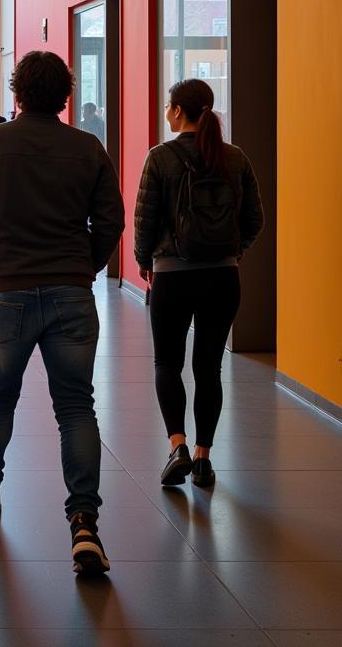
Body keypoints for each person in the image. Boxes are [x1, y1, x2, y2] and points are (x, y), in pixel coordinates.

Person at [0, 51, 124, 577]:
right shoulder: (87, 147)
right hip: (72, 291)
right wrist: (85, 265)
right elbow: (110, 220)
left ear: (17, 94)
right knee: (76, 407)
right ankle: (84, 524)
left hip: (10, 291)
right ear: (65, 95)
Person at [134, 79, 264, 489]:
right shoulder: (235, 157)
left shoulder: (160, 157)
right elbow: (255, 219)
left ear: (176, 111)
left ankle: (179, 447)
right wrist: (234, 252)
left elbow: (144, 221)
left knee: (166, 363)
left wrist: (145, 262)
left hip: (172, 275)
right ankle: (205, 460)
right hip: (223, 277)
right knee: (209, 367)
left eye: (169, 106)